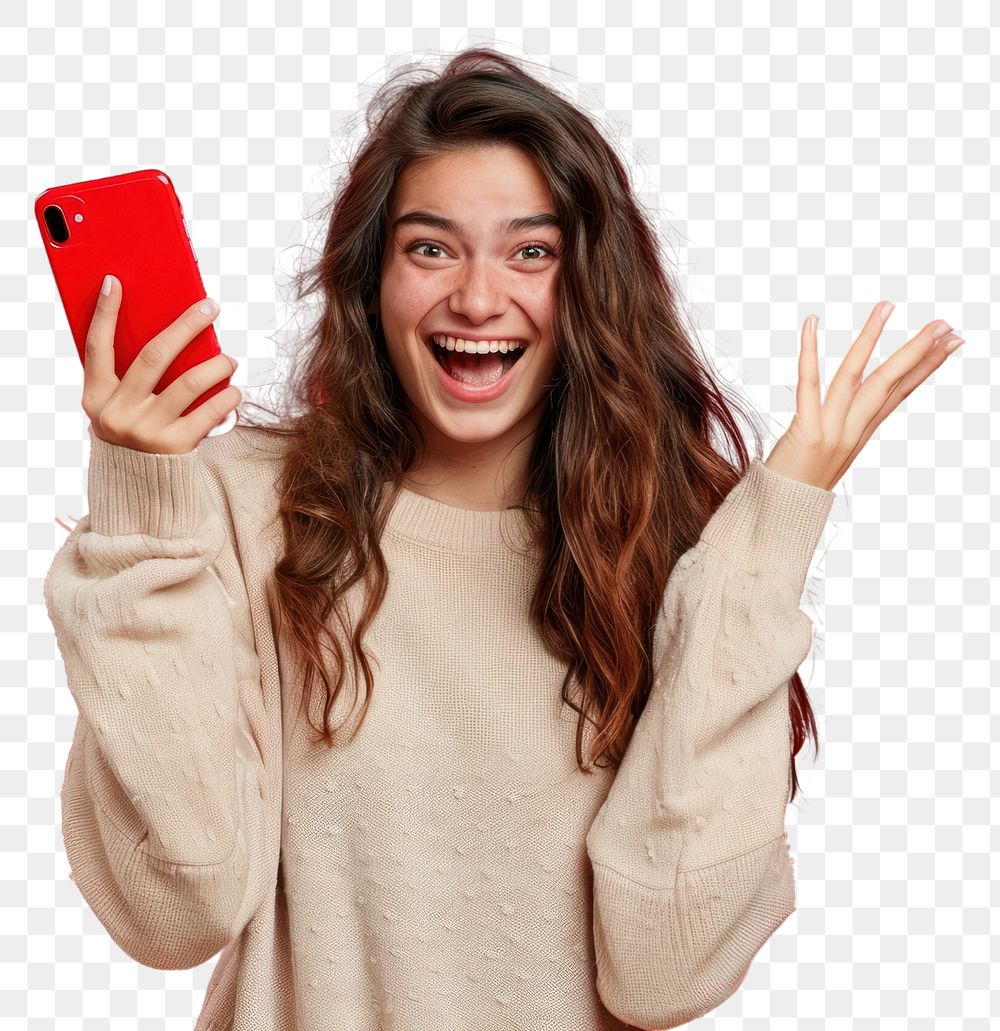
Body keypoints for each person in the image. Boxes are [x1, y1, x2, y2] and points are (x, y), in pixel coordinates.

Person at [42, 47, 963, 1031]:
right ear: (373, 282)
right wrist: (144, 503)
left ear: (587, 289)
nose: (478, 300)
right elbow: (173, 910)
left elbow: (665, 969)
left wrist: (768, 536)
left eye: (530, 252)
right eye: (430, 248)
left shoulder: (660, 551)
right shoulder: (240, 509)